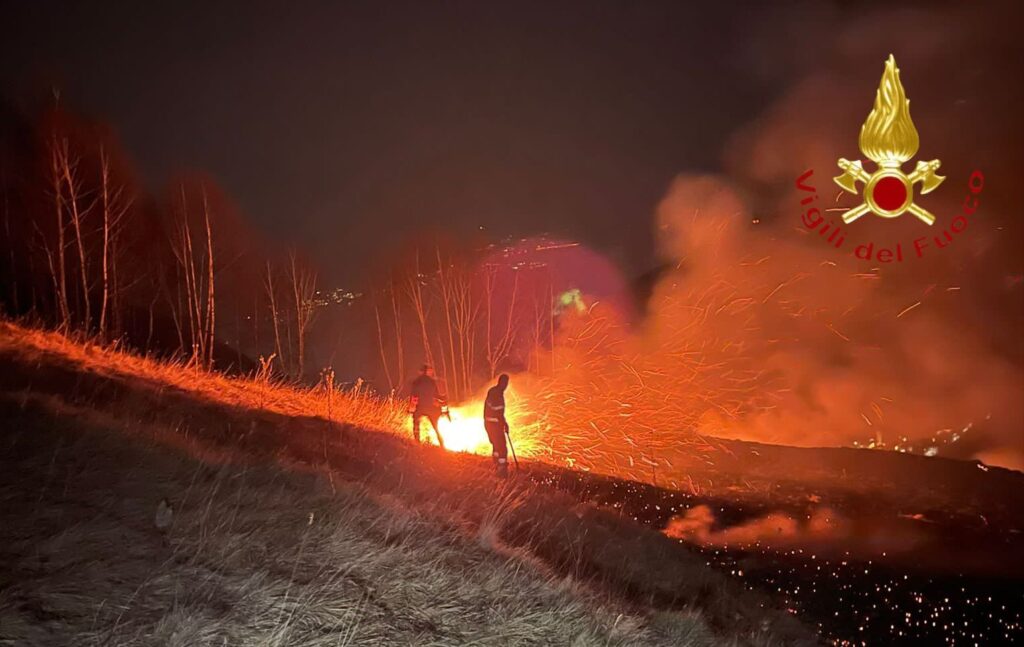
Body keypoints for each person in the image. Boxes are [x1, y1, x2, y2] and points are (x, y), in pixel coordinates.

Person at [409, 365, 445, 449]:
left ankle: (417, 442)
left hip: (421, 407)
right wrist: (443, 399)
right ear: (427, 371)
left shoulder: (417, 382)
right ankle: (442, 444)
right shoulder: (432, 382)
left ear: (421, 371)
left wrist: (411, 407)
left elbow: (414, 396)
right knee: (435, 427)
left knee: (416, 422)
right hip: (430, 407)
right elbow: (436, 395)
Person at [483, 373, 511, 477]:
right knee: (502, 447)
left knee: (496, 444)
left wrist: (504, 423)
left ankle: (495, 463)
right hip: (494, 424)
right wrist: (504, 424)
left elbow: (498, 413)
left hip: (489, 423)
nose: (506, 386)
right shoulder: (497, 394)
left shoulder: (493, 391)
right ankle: (502, 470)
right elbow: (498, 413)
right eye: (506, 383)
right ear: (502, 383)